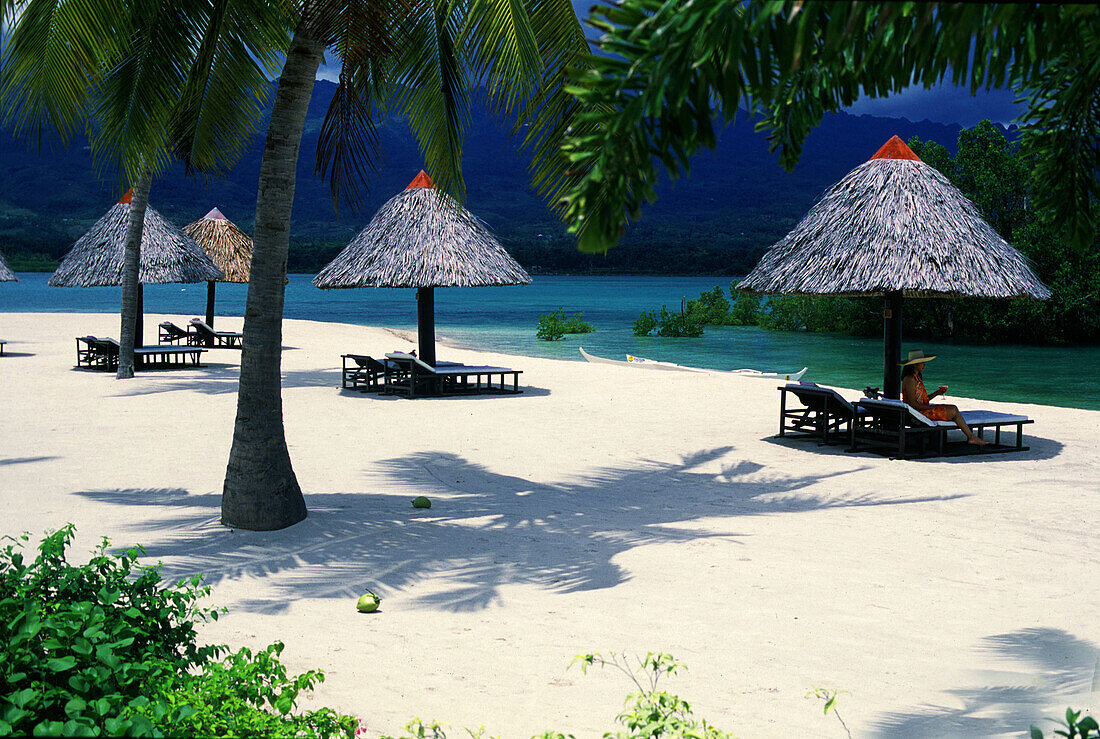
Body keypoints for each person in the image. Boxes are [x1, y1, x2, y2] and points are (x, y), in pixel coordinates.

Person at [899, 349, 988, 446]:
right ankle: (971, 437)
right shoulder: (910, 379)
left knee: (953, 408)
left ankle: (971, 437)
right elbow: (913, 404)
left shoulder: (917, 378)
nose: (924, 365)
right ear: (915, 365)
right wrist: (933, 407)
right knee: (953, 411)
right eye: (922, 363)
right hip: (917, 413)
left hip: (921, 410)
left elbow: (923, 400)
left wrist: (937, 393)